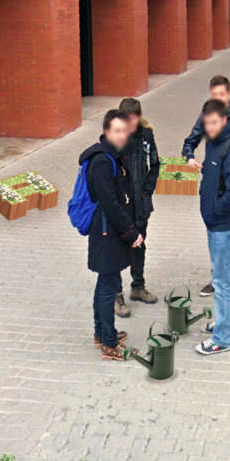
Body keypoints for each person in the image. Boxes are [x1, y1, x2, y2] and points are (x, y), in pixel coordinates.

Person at [182, 75, 230, 302]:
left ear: (229, 95)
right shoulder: (207, 117)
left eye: (222, 95)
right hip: (213, 185)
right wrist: (189, 157)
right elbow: (190, 140)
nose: (218, 99)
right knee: (215, 238)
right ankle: (218, 278)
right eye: (215, 95)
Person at [78, 110, 143, 360]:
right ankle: (108, 343)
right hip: (107, 232)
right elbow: (111, 203)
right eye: (116, 131)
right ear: (106, 131)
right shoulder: (102, 162)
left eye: (124, 131)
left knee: (105, 283)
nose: (121, 136)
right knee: (109, 286)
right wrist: (131, 233)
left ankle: (100, 333)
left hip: (107, 230)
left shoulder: (111, 156)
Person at [194, 100, 230, 356]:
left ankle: (222, 338)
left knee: (223, 281)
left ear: (225, 121)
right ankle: (226, 322)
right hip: (215, 223)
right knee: (222, 278)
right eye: (207, 123)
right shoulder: (213, 144)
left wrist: (214, 211)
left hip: (223, 225)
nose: (210, 127)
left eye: (214, 122)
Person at [114, 98, 160, 317]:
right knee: (116, 248)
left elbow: (155, 164)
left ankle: (138, 287)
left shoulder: (146, 137)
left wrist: (146, 191)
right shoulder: (115, 139)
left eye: (134, 120)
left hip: (141, 204)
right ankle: (116, 295)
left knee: (139, 244)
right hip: (121, 206)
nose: (131, 126)